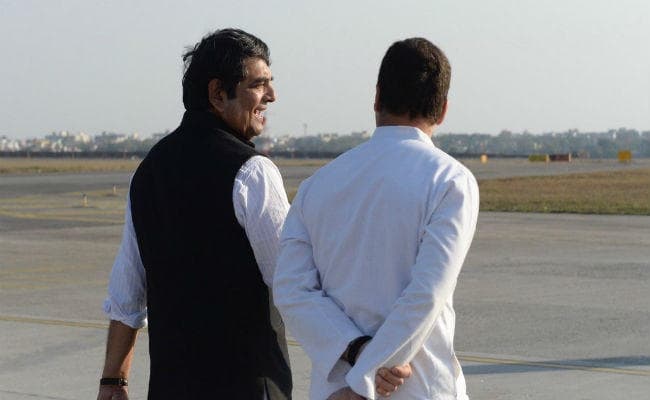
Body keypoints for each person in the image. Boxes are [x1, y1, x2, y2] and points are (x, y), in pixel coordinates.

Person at [273, 37, 479, 400]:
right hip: (417, 388)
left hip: (334, 389)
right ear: (443, 109)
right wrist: (365, 379)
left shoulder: (316, 185)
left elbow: (291, 289)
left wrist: (355, 353)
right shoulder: (450, 181)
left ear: (377, 98)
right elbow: (426, 294)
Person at [97, 28, 292, 400]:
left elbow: (127, 292)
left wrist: (113, 381)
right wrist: (355, 354)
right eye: (258, 84)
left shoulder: (148, 172)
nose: (271, 95)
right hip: (246, 387)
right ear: (218, 93)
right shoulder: (252, 172)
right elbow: (293, 282)